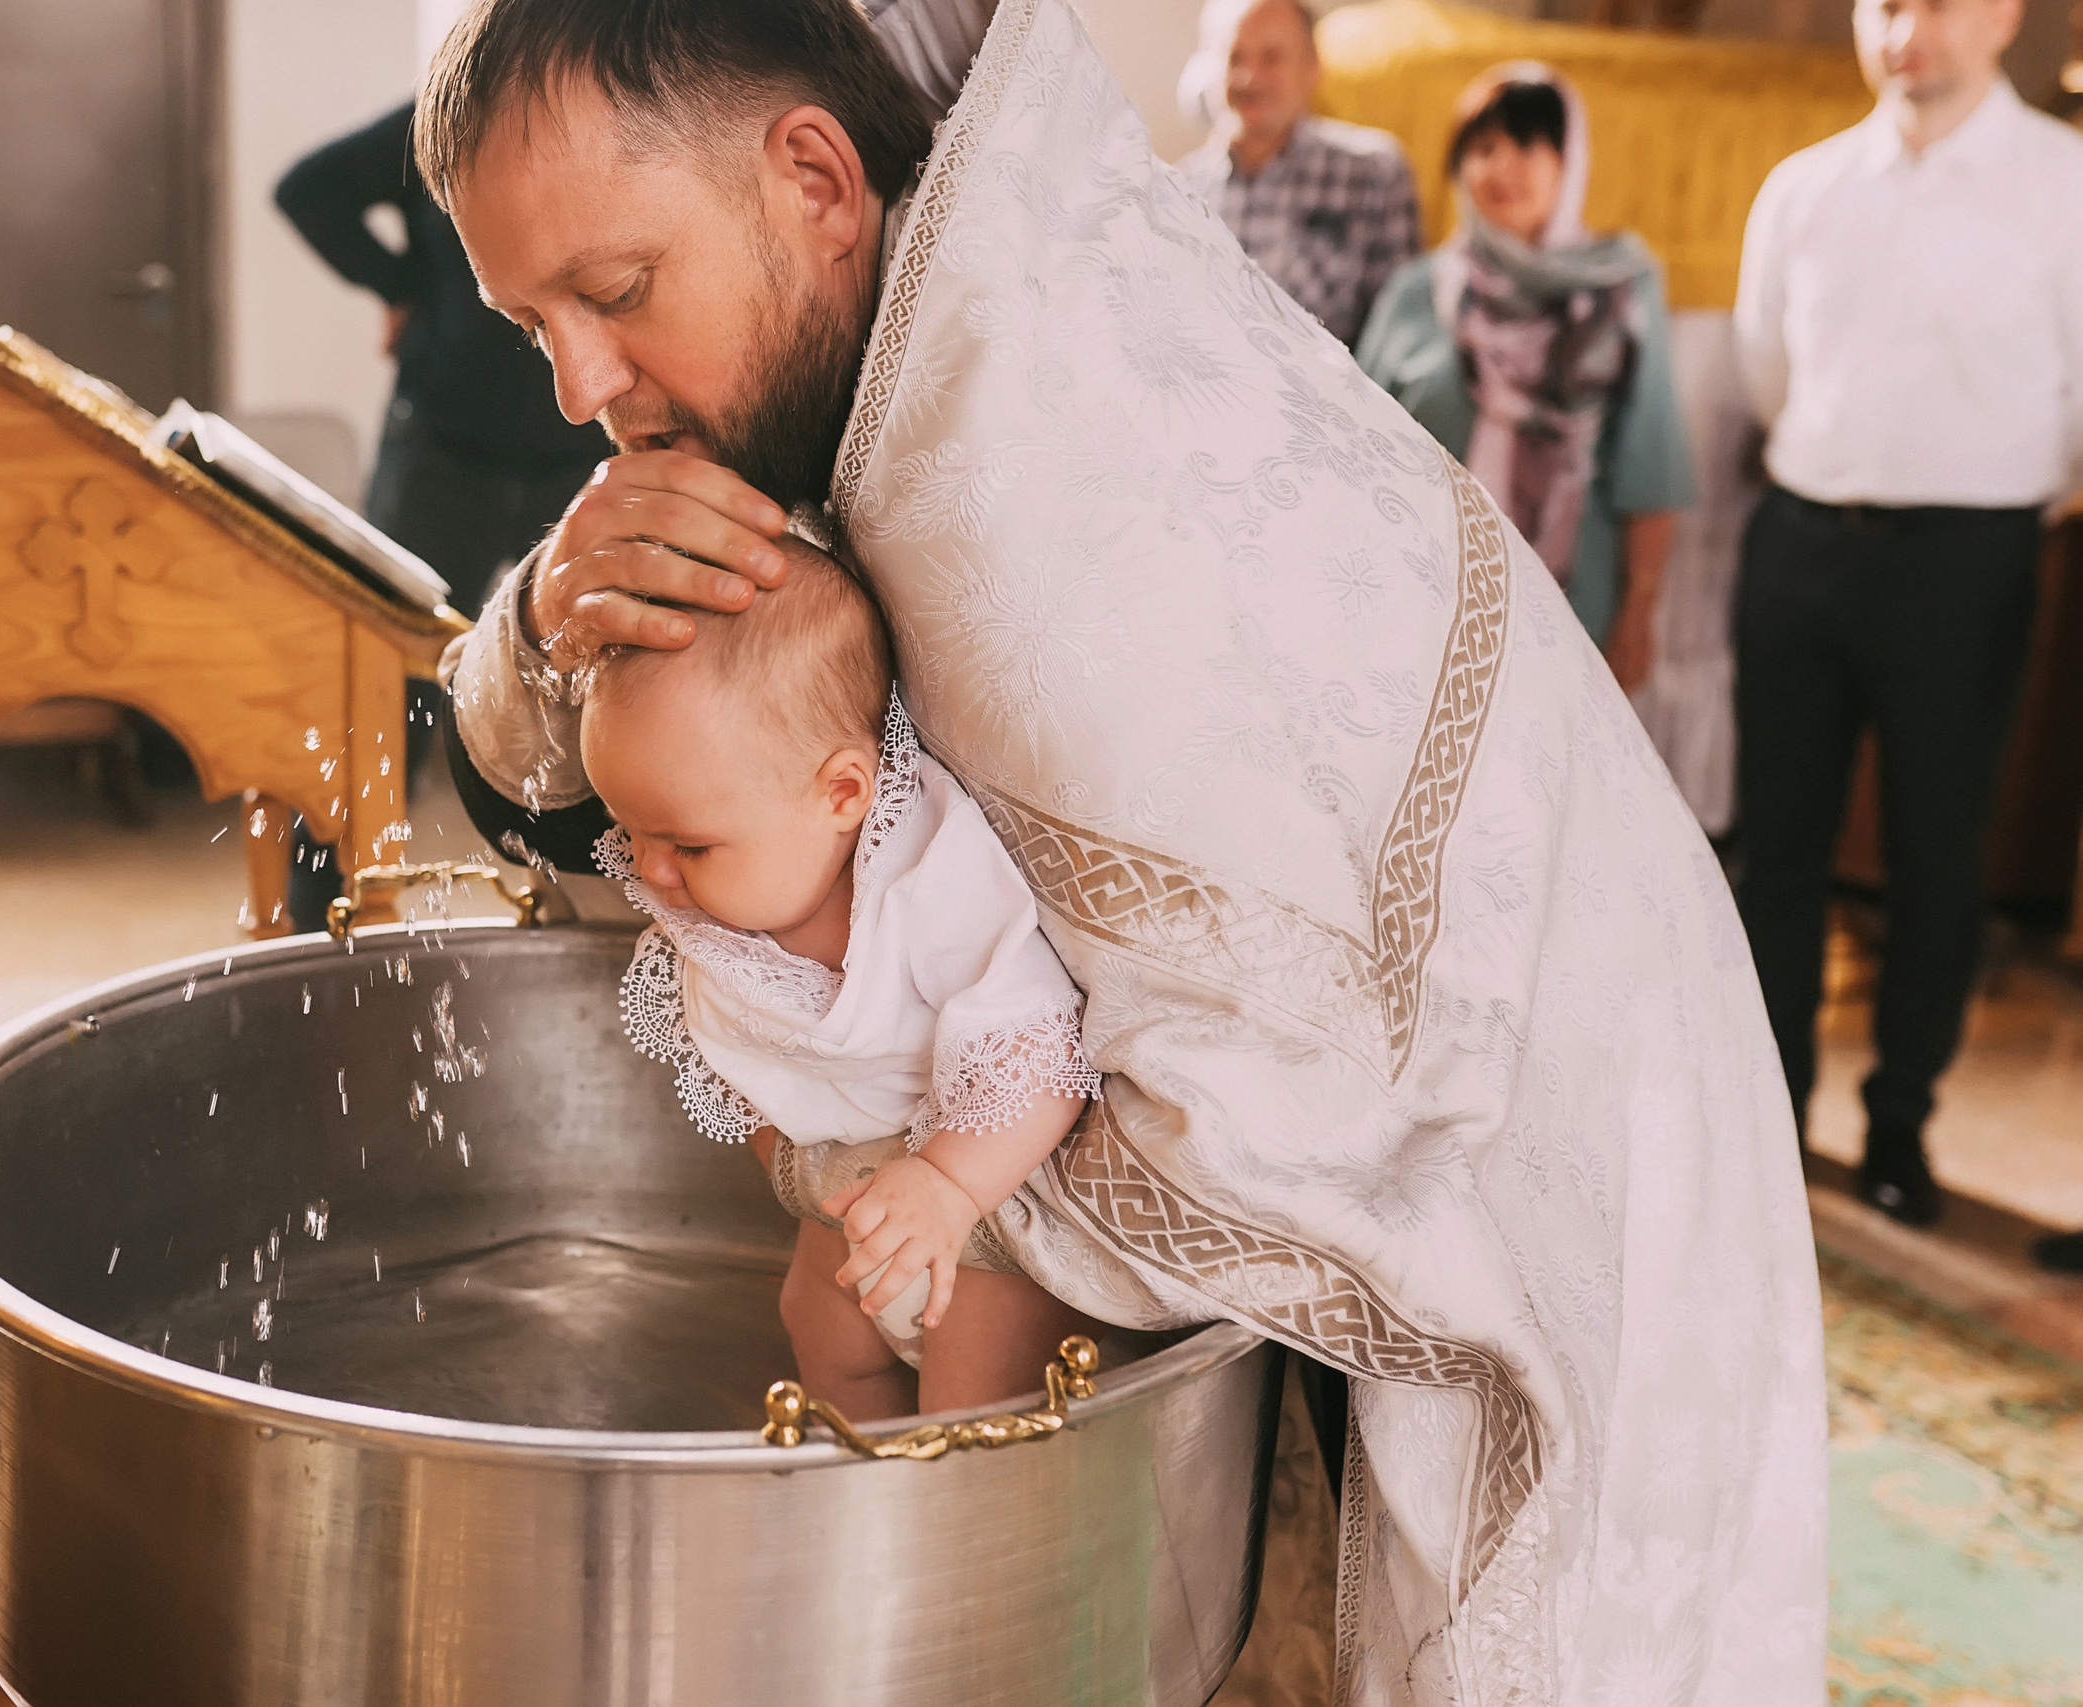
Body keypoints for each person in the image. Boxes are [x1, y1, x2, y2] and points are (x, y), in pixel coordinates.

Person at [424, 0, 1827, 1694]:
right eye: (530, 328)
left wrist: (872, 1187)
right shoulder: (870, 346)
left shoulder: (1066, 506)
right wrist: (548, 616)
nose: (582, 386)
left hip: (1567, 1147)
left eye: (619, 293)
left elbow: (1272, 1107)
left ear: (815, 176)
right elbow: (573, 787)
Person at [580, 528, 1098, 1417]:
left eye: (688, 843)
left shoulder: (926, 880)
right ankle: (858, 1509)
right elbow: (736, 1055)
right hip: (848, 1206)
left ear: (843, 795)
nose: (651, 873)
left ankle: (946, 1537)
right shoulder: (712, 905)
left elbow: (1043, 1054)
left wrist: (947, 1183)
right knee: (817, 1330)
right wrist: (790, 1161)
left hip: (980, 1218)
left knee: (973, 1405)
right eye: (633, 831)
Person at [1732, 0, 2083, 1227]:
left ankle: (1897, 1131)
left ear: (2004, 17)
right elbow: (1764, 371)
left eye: (1937, 0)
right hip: (1800, 543)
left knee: (1940, 862)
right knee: (1772, 858)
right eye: (1883, 1)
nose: (1904, 26)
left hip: (1967, 561)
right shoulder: (1803, 188)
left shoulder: (2066, 186)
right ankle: (1765, 1123)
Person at [271, 100, 610, 926]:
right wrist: (405, 283)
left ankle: (594, 925)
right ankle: (317, 924)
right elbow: (306, 190)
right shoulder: (453, 110)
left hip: (580, 454)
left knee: (603, 691)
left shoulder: (626, 101)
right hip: (442, 452)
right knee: (377, 690)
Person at [1356, 67, 1694, 694]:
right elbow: (1358, 457)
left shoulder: (1620, 291)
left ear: (1570, 160)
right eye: (1483, 149)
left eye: (1527, 145)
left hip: (1571, 615)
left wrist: (1639, 616)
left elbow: (1652, 469)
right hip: (1421, 609)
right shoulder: (1417, 292)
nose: (1502, 167)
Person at [1173, 0, 1421, 348]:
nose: (1249, 77)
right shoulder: (1177, 190)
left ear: (1311, 68)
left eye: (1271, 58)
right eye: (1234, 58)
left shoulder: (1373, 173)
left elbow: (1399, 335)